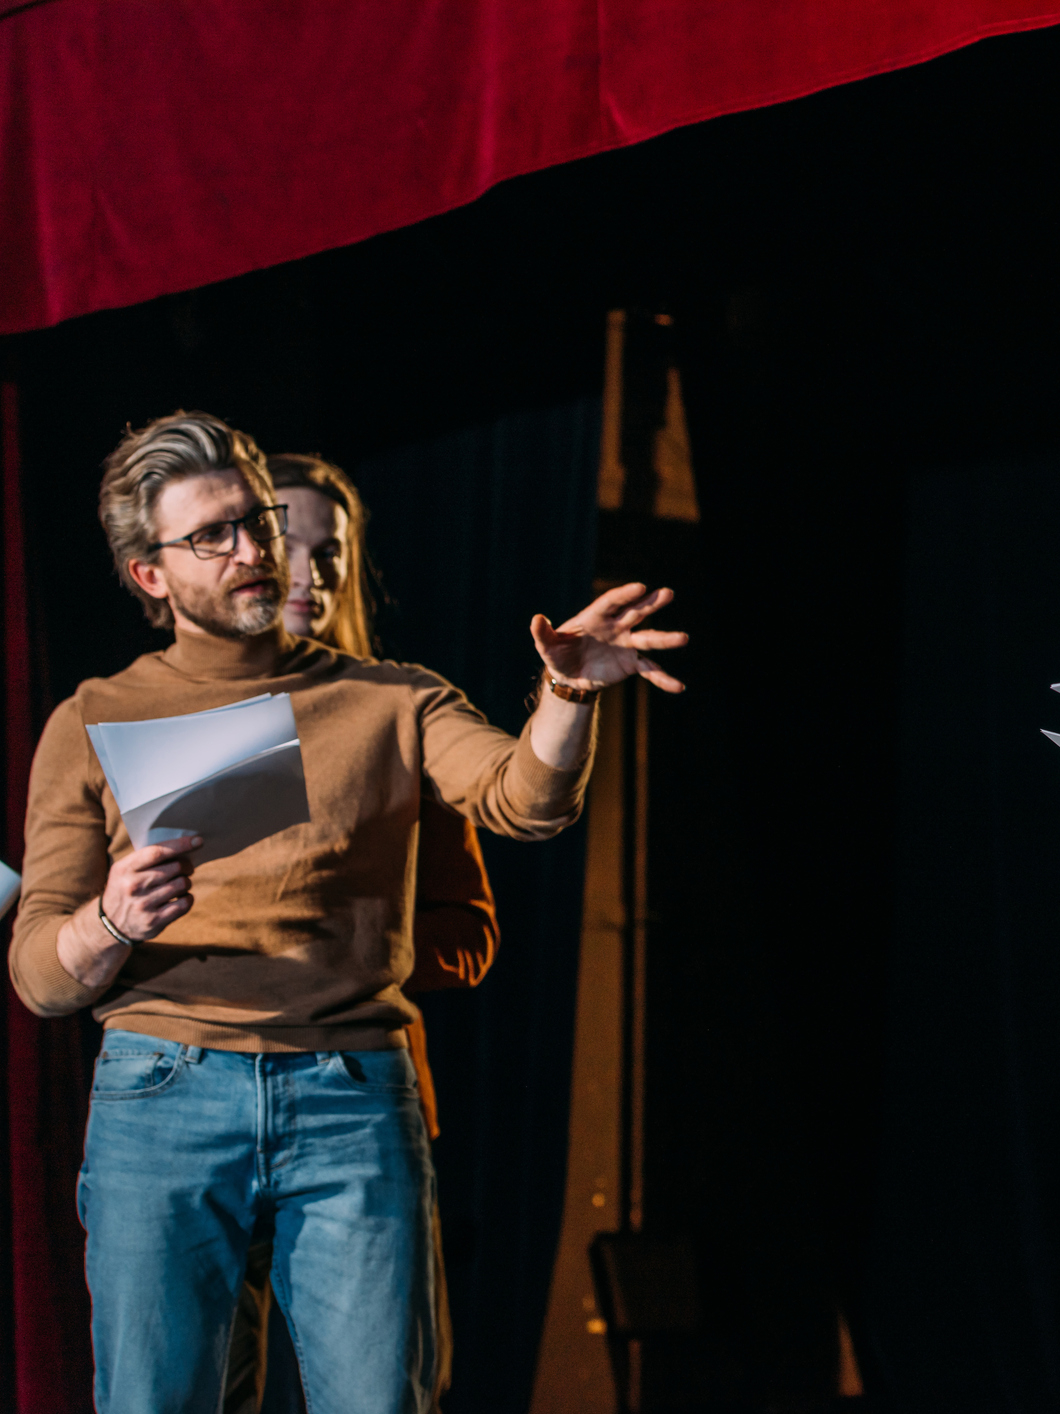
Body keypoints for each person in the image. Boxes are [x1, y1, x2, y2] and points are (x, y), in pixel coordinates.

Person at [9, 412, 685, 1414]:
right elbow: (39, 973)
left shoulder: (389, 699)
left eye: (256, 522)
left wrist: (566, 694)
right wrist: (107, 921)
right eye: (212, 536)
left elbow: (525, 800)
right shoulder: (94, 716)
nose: (252, 550)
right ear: (150, 574)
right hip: (163, 1094)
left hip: (349, 1094)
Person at [221, 453, 501, 1413]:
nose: (311, 571)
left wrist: (357, 948)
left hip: (357, 1096)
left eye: (331, 550)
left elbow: (470, 931)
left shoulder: (399, 716)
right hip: (204, 1095)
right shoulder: (180, 714)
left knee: (380, 1390)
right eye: (285, 543)